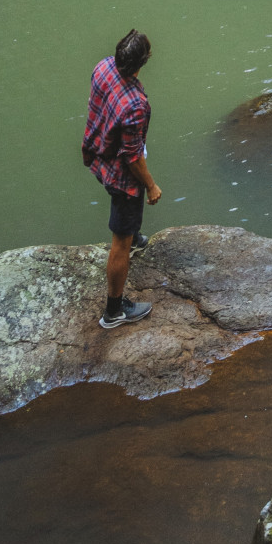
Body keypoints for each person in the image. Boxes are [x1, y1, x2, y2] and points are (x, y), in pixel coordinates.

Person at [83, 28, 162, 328]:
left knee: (128, 224)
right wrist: (151, 186)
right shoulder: (135, 105)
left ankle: (135, 235)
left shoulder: (103, 67)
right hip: (121, 175)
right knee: (120, 240)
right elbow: (132, 158)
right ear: (143, 62)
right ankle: (113, 312)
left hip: (99, 154)